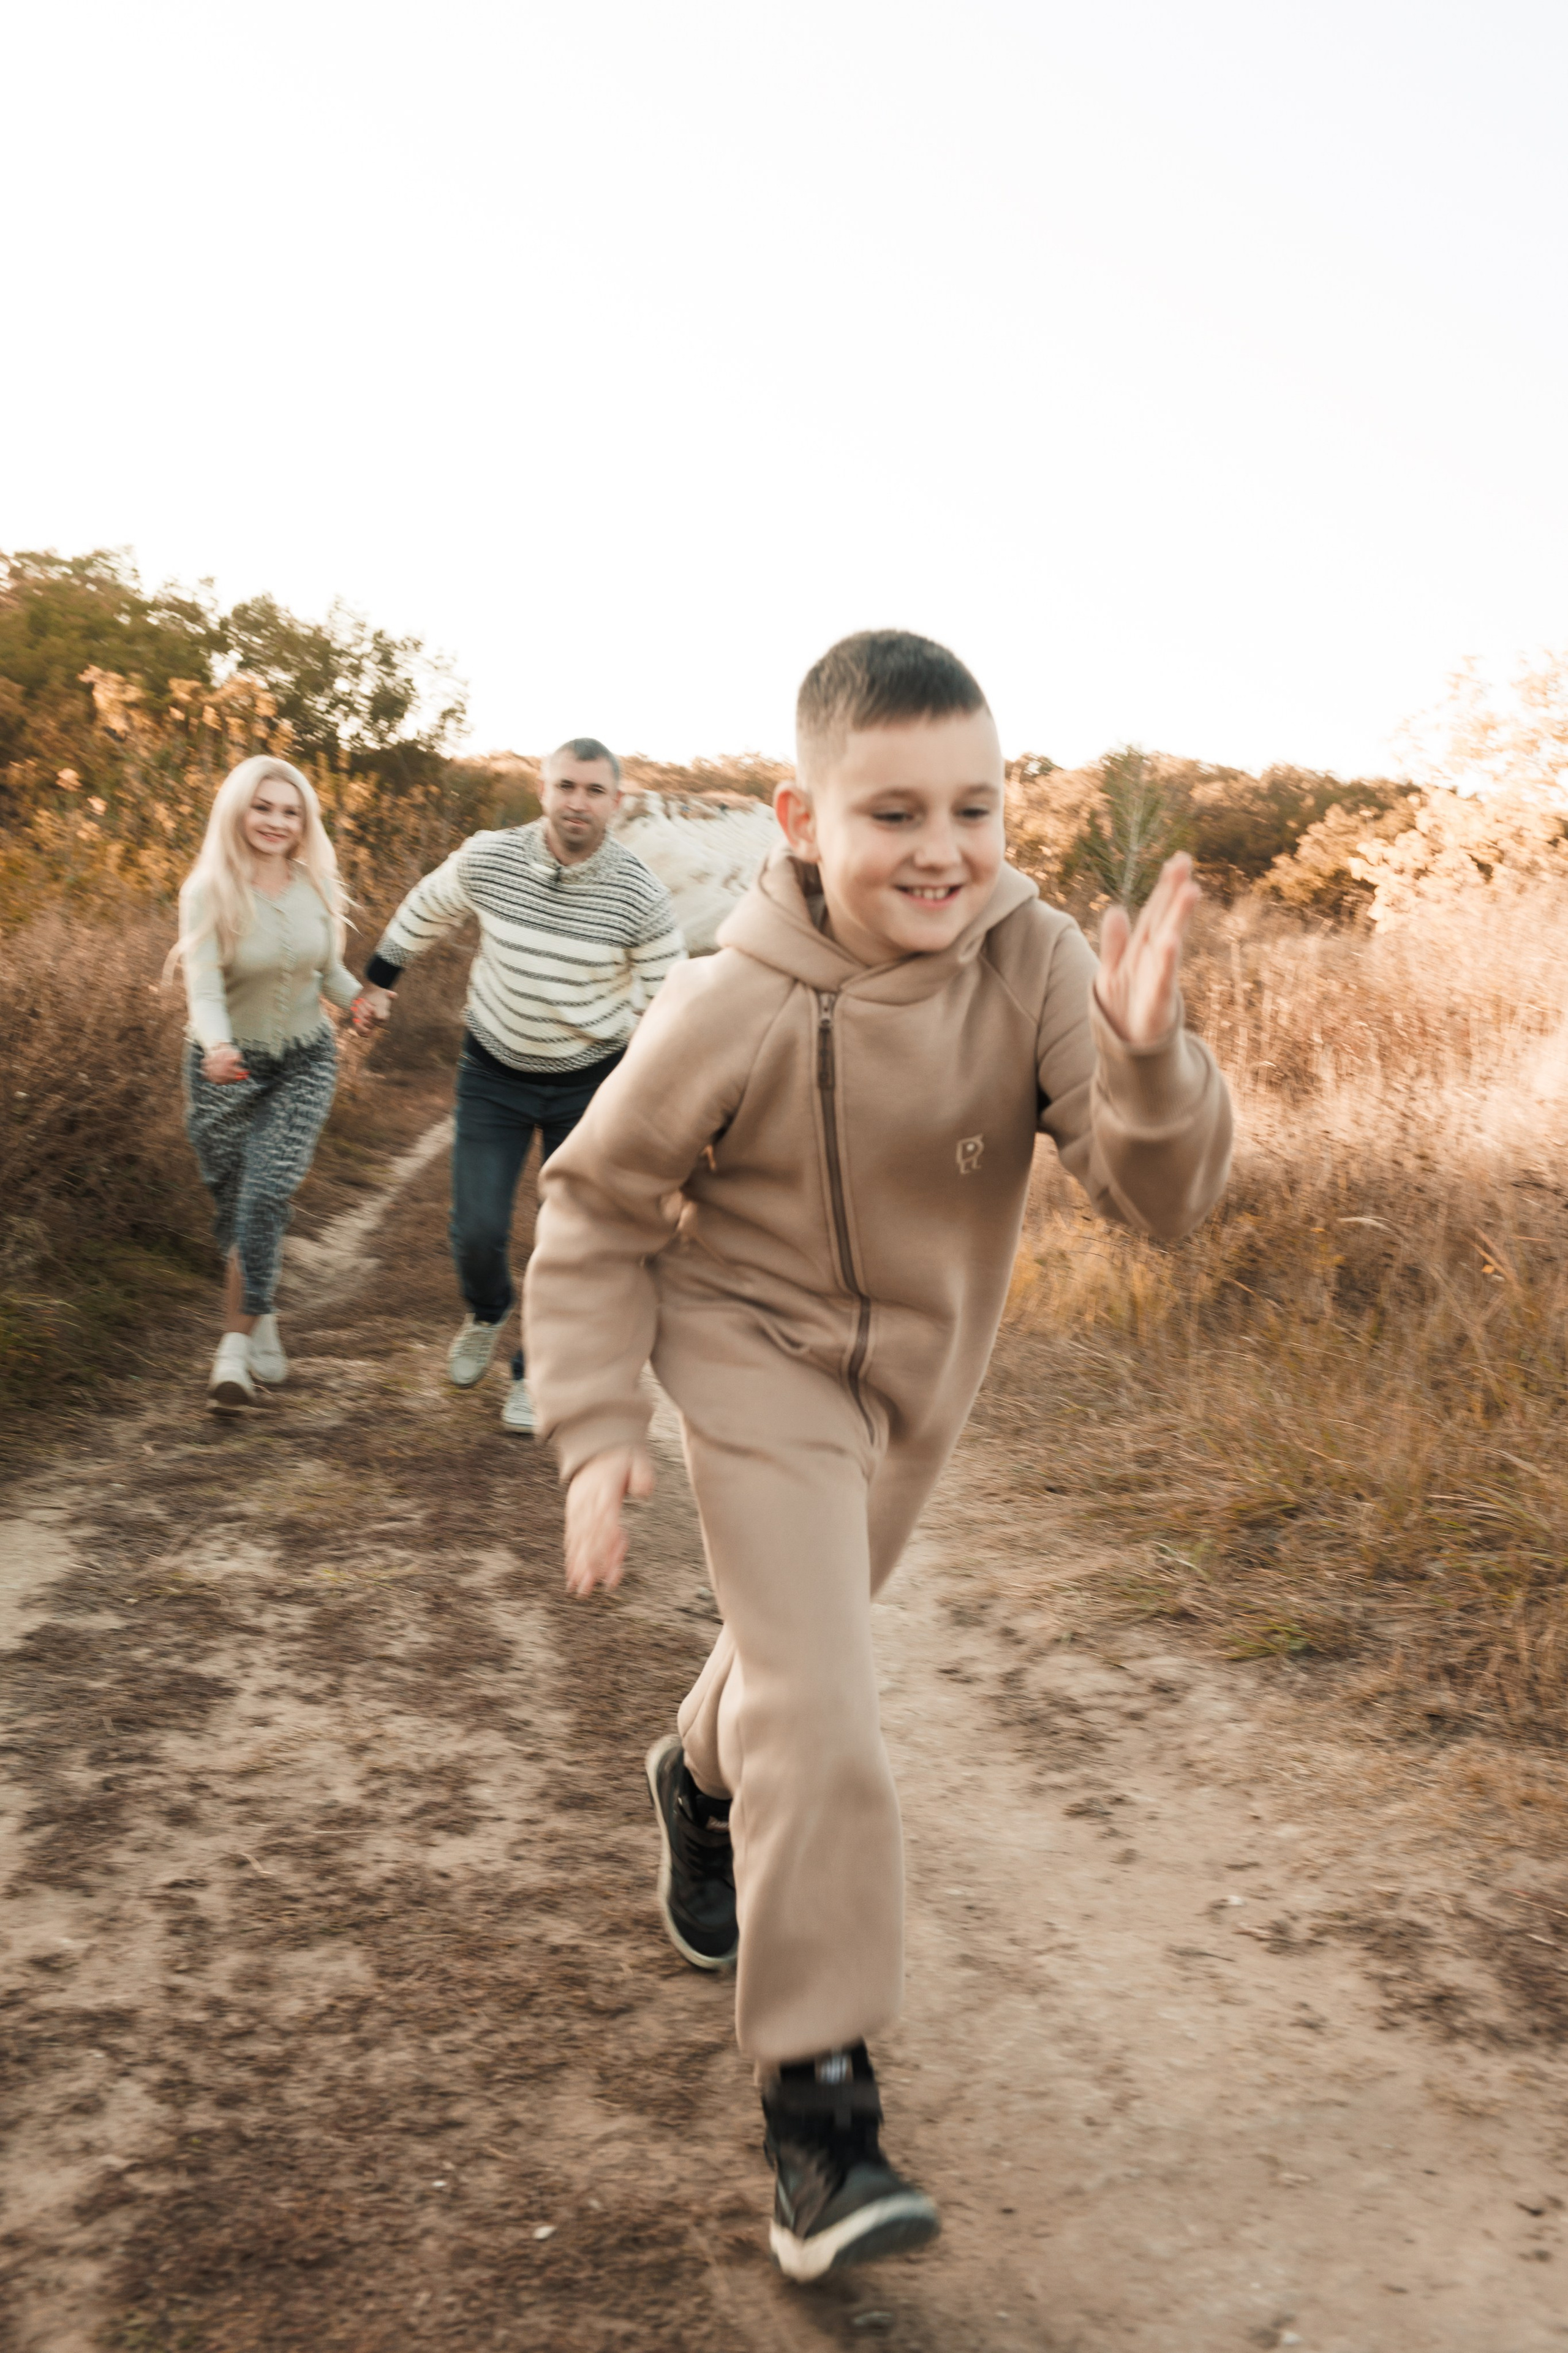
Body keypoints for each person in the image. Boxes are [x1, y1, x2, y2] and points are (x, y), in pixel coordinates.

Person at [522, 631, 1233, 2279]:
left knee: (794, 1667)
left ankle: (694, 1775)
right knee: (831, 1708)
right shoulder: (733, 1000)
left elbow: (1163, 1203)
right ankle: (821, 2122)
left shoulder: (1037, 956)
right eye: (894, 810)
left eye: (974, 807)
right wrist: (595, 1429)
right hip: (754, 1367)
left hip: (919, 1389)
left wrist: (1144, 1062)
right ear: (800, 818)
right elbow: (603, 1207)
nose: (942, 848)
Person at [355, 739, 684, 1431]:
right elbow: (427, 907)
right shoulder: (490, 856)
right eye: (566, 786)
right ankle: (486, 1308)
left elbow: (671, 1001)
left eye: (594, 791)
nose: (578, 802)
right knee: (476, 1230)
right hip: (493, 1072)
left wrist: (666, 1097)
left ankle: (533, 1372)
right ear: (543, 791)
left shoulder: (639, 894)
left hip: (590, 1083)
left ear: (616, 803)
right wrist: (380, 983)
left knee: (568, 1242)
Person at [172, 754, 361, 1411]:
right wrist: (218, 1047)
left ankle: (230, 1353)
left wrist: (359, 998)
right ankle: (262, 1312)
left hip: (306, 1060)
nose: (276, 822)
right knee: (233, 1209)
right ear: (238, 811)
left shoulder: (315, 886)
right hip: (225, 1069)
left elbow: (324, 970)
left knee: (265, 1194)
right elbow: (202, 985)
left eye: (290, 811)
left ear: (304, 821)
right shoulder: (208, 890)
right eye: (263, 807)